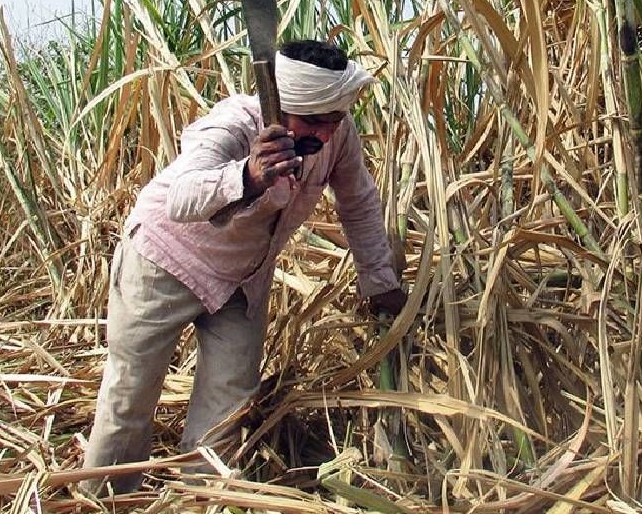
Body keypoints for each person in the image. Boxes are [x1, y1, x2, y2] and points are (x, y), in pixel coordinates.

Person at [78, 39, 408, 496]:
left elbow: (359, 203)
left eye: (333, 120)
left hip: (241, 282)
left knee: (227, 406)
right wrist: (248, 177)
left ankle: (207, 499)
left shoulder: (338, 133)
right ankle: (104, 500)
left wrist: (379, 279)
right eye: (313, 121)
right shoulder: (235, 124)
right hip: (163, 263)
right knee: (129, 396)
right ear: (283, 103)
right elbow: (182, 197)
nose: (326, 133)